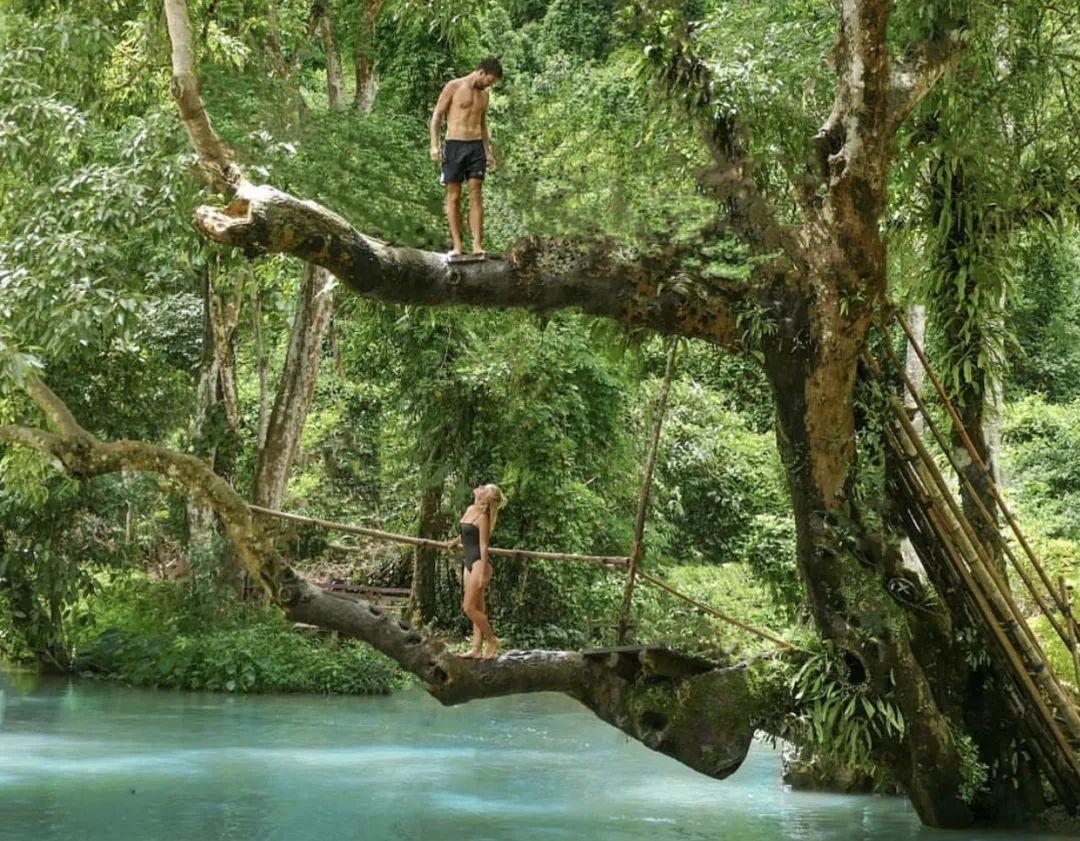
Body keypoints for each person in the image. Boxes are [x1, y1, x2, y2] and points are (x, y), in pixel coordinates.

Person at [429, 57, 503, 258]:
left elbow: (483, 124)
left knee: (476, 194)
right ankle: (457, 246)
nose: (489, 85)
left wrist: (488, 152)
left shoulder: (484, 96)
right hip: (454, 145)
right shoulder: (453, 86)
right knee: (454, 196)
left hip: (476, 146)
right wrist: (434, 145)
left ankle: (477, 245)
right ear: (481, 72)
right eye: (489, 80)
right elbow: (437, 115)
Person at [448, 483, 506, 659]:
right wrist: (456, 541)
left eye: (485, 489)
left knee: (468, 608)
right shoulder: (470, 509)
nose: (480, 488)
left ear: (486, 498)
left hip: (479, 564)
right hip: (468, 562)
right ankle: (476, 649)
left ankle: (493, 640)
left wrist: (480, 573)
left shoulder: (483, 517)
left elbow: (483, 545)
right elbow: (467, 532)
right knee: (478, 607)